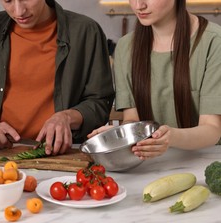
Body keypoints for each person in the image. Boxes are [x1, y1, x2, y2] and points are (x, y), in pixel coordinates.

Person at [0, 0, 114, 156]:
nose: (18, 11)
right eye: (8, 1)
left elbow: (100, 102)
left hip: (64, 155)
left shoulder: (86, 31)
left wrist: (66, 117)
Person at [88, 0, 221, 160]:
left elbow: (212, 129)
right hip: (150, 163)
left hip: (205, 161)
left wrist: (171, 137)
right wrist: (118, 135)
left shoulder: (214, 41)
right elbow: (133, 119)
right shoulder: (125, 47)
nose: (138, 6)